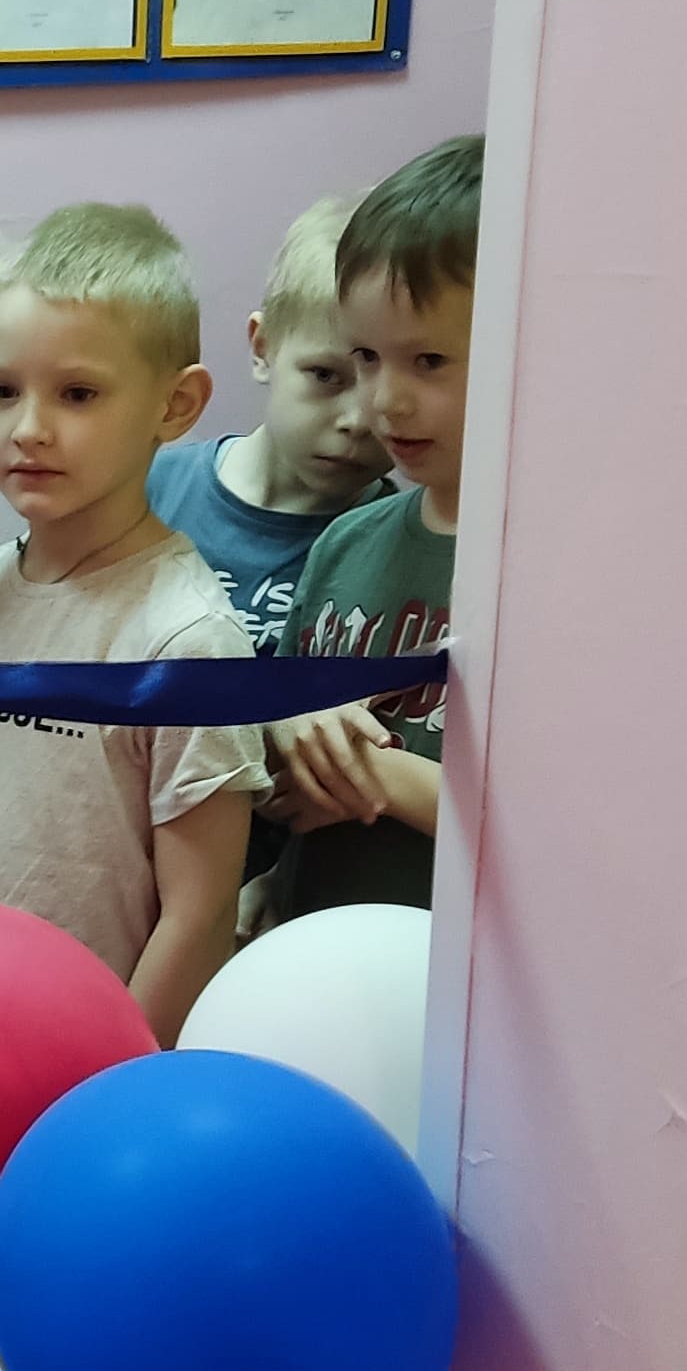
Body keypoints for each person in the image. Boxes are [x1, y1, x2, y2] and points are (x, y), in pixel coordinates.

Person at [0, 204, 269, 1037]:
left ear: (177, 404)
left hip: (97, 1062)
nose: (29, 428)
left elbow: (200, 914)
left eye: (78, 394)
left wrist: (109, 1078)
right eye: (2, 391)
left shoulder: (188, 640)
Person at [268, 135, 482, 918]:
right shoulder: (346, 542)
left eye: (428, 361)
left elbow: (565, 831)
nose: (382, 402)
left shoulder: (557, 575)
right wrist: (292, 729)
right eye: (366, 357)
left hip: (450, 966)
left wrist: (382, 779)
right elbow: (275, 745)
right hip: (311, 940)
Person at [145, 197, 395, 656]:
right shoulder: (147, 491)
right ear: (263, 349)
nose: (357, 421)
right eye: (325, 375)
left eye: (386, 386)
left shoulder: (402, 546)